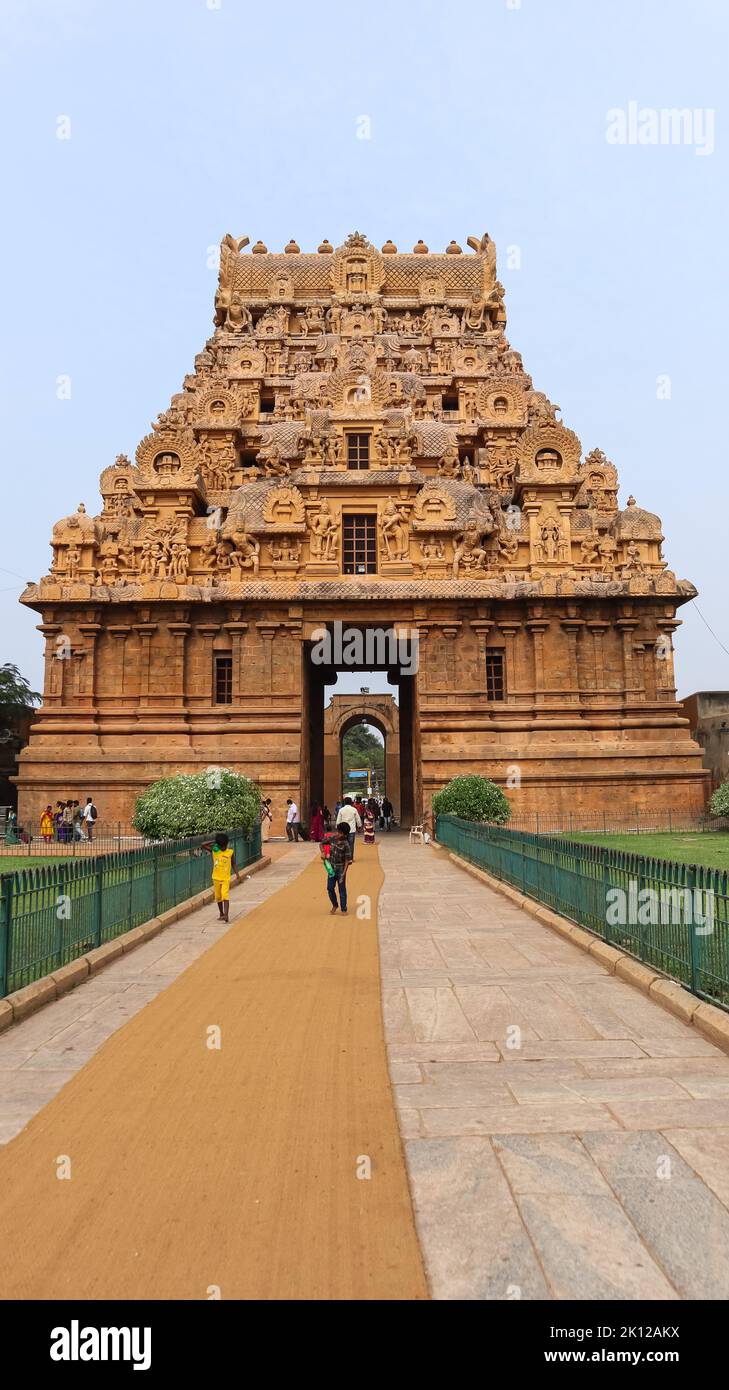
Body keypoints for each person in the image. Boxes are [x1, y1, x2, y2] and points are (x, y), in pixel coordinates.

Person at [202, 831, 236, 923]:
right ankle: (221, 913)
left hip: (225, 878)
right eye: (221, 846)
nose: (223, 848)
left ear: (227, 844)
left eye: (224, 846)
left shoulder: (230, 852)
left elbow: (233, 863)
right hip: (216, 877)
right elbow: (203, 845)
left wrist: (237, 875)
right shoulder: (215, 851)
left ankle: (226, 915)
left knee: (225, 895)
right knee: (218, 897)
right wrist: (216, 841)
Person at [322, 824, 352, 915]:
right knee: (330, 888)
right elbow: (321, 843)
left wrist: (344, 873)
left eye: (340, 833)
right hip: (331, 868)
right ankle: (335, 904)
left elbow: (347, 860)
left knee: (342, 890)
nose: (338, 834)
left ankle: (344, 909)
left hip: (341, 869)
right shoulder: (332, 838)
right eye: (337, 831)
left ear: (345, 835)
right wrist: (323, 852)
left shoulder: (346, 845)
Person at [336, 796, 361, 861]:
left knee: (342, 843)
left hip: (343, 830)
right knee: (351, 844)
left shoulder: (341, 810)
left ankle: (343, 857)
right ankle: (350, 858)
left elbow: (338, 820)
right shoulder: (354, 809)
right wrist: (359, 826)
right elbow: (358, 819)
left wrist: (338, 828)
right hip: (352, 829)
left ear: (344, 802)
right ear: (351, 802)